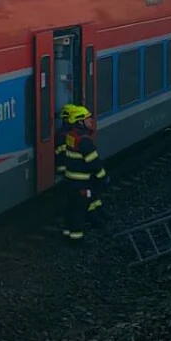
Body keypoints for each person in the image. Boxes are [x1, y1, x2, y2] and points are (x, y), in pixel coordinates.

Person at [54, 104, 106, 243]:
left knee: (71, 208)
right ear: (79, 121)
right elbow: (94, 163)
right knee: (78, 211)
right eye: (88, 119)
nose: (91, 122)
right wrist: (102, 177)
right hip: (82, 183)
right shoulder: (84, 141)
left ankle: (67, 233)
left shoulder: (71, 137)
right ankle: (76, 239)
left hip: (71, 180)